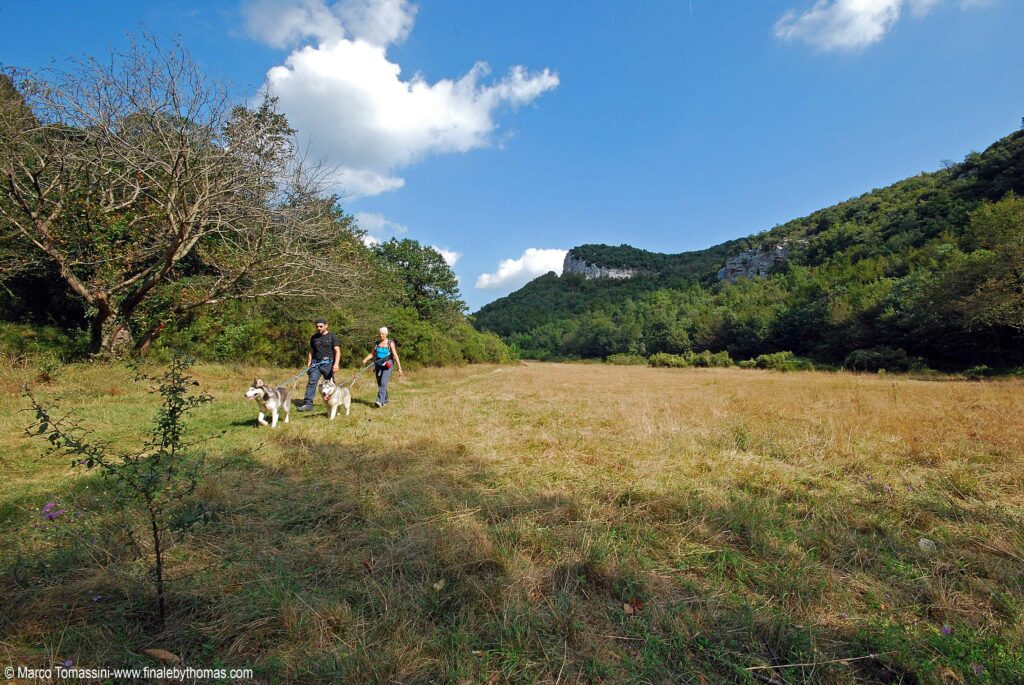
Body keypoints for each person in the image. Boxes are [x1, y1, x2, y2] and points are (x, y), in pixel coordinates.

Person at [298, 318, 341, 412]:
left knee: (331, 384)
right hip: (316, 363)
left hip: (329, 364)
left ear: (326, 326)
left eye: (321, 326)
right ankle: (308, 404)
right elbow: (311, 350)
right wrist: (309, 362)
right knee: (312, 383)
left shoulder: (332, 337)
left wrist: (336, 364)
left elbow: (337, 351)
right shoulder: (314, 337)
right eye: (317, 327)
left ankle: (334, 402)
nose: (319, 328)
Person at [362, 326, 402, 407]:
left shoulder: (390, 343)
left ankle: (379, 401)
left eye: (382, 334)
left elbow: (395, 355)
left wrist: (399, 368)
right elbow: (372, 353)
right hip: (378, 364)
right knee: (380, 383)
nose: (381, 335)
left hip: (388, 364)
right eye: (380, 333)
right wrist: (366, 359)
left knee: (383, 382)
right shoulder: (377, 343)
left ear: (386, 334)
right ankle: (386, 400)